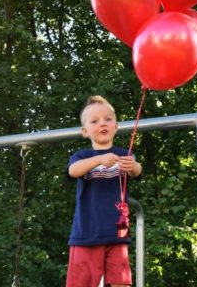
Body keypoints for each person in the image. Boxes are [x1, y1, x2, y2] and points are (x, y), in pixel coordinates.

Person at [66, 95, 143, 287]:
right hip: (86, 235)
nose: (103, 124)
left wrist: (132, 165)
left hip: (117, 234)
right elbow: (73, 171)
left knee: (121, 282)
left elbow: (137, 171)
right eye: (95, 121)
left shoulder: (125, 154)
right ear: (85, 131)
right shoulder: (82, 156)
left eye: (108, 119)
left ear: (116, 125)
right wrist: (100, 160)